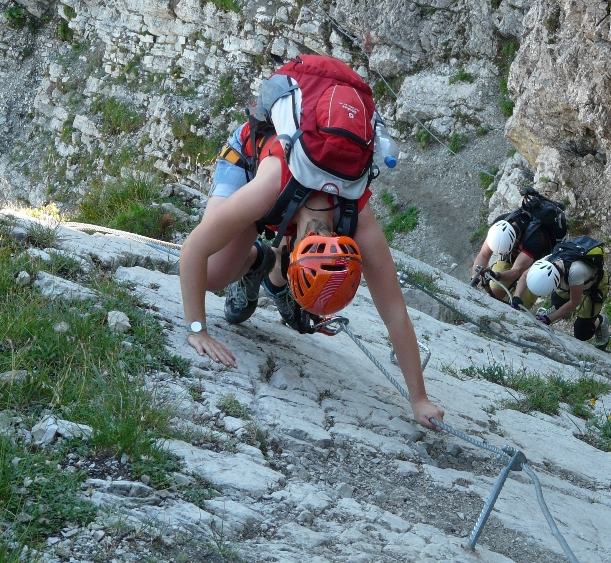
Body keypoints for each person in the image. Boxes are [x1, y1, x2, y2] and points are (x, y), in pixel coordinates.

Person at [179, 55, 444, 431]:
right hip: (249, 161)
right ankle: (260, 260)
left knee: (218, 267)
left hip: (284, 206)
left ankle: (269, 268)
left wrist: (419, 399)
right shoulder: (271, 190)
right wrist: (197, 330)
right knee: (210, 277)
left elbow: (395, 313)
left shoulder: (358, 220)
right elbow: (193, 249)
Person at [469, 189, 565, 309]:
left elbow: (517, 272)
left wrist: (496, 275)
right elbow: (483, 254)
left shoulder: (535, 239)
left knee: (520, 306)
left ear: (515, 241)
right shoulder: (499, 224)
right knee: (494, 293)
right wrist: (475, 277)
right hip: (513, 256)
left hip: (536, 266)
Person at [519, 235, 611, 350]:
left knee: (582, 333)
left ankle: (600, 321)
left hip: (595, 285)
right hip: (569, 281)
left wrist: (549, 319)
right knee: (557, 301)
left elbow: (574, 302)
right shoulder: (547, 262)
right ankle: (563, 311)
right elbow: (524, 275)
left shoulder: (576, 271)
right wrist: (516, 297)